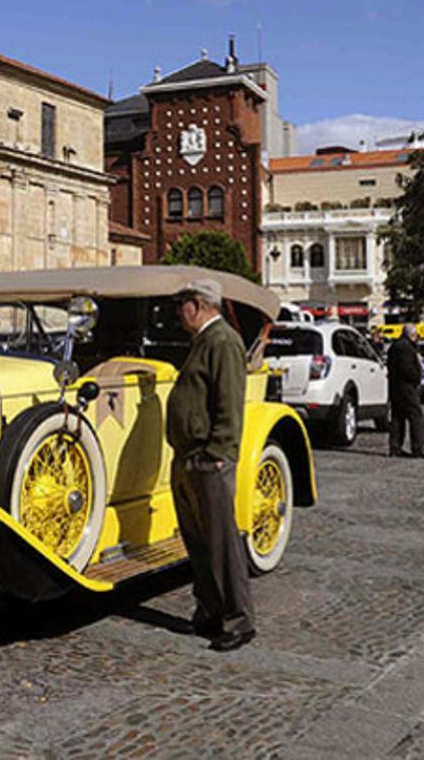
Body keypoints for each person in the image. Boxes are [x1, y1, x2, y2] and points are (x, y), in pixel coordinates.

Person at [166, 278, 255, 652]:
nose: (177, 311)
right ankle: (211, 609)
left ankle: (239, 619)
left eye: (182, 303)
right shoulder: (204, 341)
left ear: (199, 305)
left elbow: (230, 402)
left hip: (208, 457)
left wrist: (218, 453)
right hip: (189, 456)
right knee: (198, 542)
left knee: (221, 542)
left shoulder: (222, 341)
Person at [387, 324, 424, 459]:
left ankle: (395, 448)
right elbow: (407, 369)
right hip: (406, 387)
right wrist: (416, 378)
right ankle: (418, 447)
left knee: (398, 416)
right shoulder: (404, 347)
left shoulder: (396, 345)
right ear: (411, 334)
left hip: (396, 386)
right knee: (416, 415)